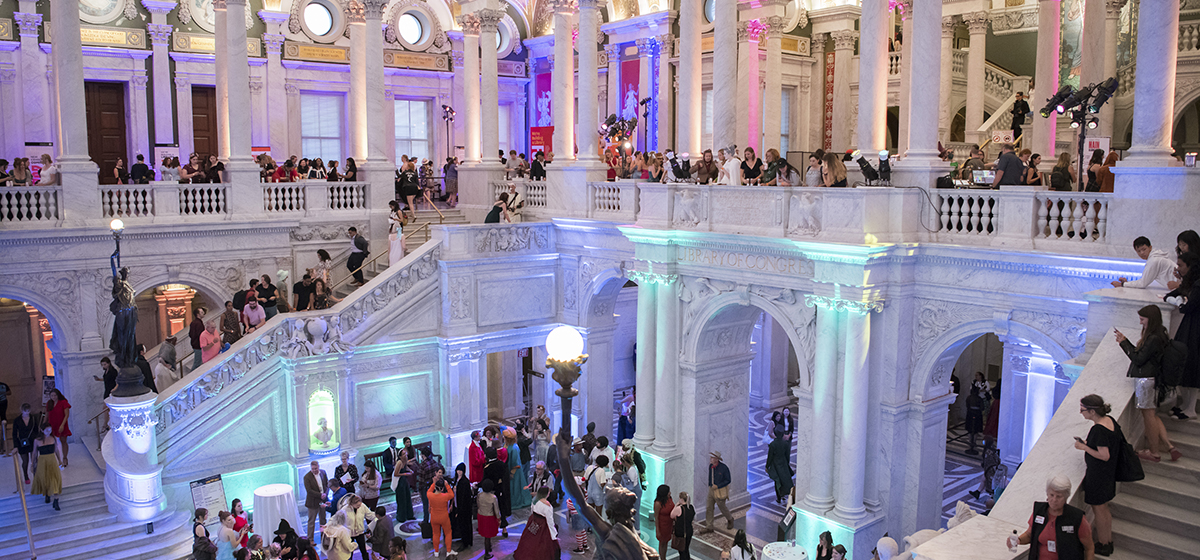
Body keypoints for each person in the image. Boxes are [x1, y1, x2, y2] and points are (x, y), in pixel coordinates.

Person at [1116, 305, 1180, 462]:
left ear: (1150, 320)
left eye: (1142, 319)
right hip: (1154, 380)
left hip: (1146, 380)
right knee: (1153, 415)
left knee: (1148, 417)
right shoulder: (1160, 333)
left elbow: (1138, 359)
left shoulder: (1152, 339)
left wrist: (1124, 342)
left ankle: (1154, 452)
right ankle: (1169, 446)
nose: (1140, 323)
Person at [1006, 476, 1094, 560]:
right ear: (1047, 494)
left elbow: (1089, 548)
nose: (1054, 499)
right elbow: (1030, 534)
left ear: (1066, 497)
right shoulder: (1039, 511)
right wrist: (1018, 540)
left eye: (1059, 496)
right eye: (1052, 495)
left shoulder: (1076, 518)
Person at [1075, 394, 1118, 556]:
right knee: (1104, 509)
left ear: (1092, 412)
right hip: (1108, 474)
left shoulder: (1098, 429)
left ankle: (1102, 543)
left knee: (1099, 510)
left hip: (1098, 475)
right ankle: (1108, 541)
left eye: (1083, 410)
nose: (1081, 413)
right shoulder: (1110, 421)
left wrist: (1084, 447)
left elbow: (1104, 455)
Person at [1167, 251, 1200, 420]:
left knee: (1193, 367)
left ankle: (1190, 408)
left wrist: (1180, 303)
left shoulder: (1198, 284)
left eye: (1180, 265)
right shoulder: (1194, 282)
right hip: (1192, 326)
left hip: (1195, 328)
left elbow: (1189, 306)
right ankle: (1186, 406)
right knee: (1188, 366)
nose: (1178, 268)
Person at [1112, 236, 1177, 289]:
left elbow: (1143, 283)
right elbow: (1145, 280)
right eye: (1138, 251)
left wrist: (1123, 284)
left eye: (1144, 249)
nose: (1142, 253)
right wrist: (1128, 283)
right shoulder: (1156, 257)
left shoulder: (1154, 260)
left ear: (1150, 248)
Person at [513, 486, 559, 560]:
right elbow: (550, 521)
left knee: (529, 538)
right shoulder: (548, 506)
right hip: (543, 524)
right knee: (542, 543)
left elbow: (532, 511)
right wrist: (553, 533)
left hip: (533, 520)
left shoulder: (535, 500)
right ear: (547, 494)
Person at [31, 422, 62, 509]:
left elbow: (56, 450)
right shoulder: (37, 441)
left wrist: (60, 460)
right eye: (47, 430)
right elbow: (34, 453)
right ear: (42, 430)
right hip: (42, 461)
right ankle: (47, 494)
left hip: (52, 461)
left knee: (54, 479)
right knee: (44, 478)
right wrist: (32, 464)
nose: (49, 432)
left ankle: (56, 500)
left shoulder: (53, 438)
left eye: (50, 430)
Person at [703, 451, 734, 532]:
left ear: (716, 459)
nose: (710, 459)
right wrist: (710, 485)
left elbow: (728, 480)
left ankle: (730, 519)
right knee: (709, 507)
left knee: (722, 507)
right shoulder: (711, 466)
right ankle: (709, 526)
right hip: (711, 489)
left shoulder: (724, 468)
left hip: (720, 490)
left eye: (712, 458)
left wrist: (718, 486)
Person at [427, 468, 456, 558]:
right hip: (444, 517)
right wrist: (447, 485)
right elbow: (452, 494)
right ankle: (448, 551)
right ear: (443, 488)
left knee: (435, 534)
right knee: (448, 533)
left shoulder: (430, 495)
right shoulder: (445, 496)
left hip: (434, 517)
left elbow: (430, 490)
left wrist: (434, 483)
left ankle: (436, 551)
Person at [415, 446, 444, 523]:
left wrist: (419, 490)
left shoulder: (422, 466)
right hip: (434, 486)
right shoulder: (434, 462)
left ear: (423, 455)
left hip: (426, 487)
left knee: (426, 504)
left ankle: (426, 521)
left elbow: (421, 480)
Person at [340, 494, 375, 560]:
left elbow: (369, 514)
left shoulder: (362, 506)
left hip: (360, 532)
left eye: (360, 504)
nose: (359, 506)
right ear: (352, 504)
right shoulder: (344, 509)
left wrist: (378, 516)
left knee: (363, 550)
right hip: (349, 534)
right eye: (358, 505)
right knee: (349, 553)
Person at [303, 460, 329, 540]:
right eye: (313, 469)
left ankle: (324, 536)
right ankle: (310, 539)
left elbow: (327, 484)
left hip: (322, 501)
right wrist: (320, 495)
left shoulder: (323, 472)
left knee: (323, 519)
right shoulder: (307, 477)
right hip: (313, 502)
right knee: (311, 521)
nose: (314, 470)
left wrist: (325, 494)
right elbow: (309, 491)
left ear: (319, 467)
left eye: (316, 468)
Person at [766, 429, 793, 503]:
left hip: (775, 464)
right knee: (784, 479)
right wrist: (786, 463)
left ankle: (778, 497)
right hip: (783, 463)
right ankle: (783, 494)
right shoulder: (785, 444)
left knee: (777, 480)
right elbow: (787, 455)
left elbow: (770, 457)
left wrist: (767, 466)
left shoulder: (773, 444)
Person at [477, 478, 501, 560]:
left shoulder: (479, 495)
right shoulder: (493, 497)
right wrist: (499, 519)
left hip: (481, 515)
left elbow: (478, 505)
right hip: (489, 517)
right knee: (488, 535)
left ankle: (489, 547)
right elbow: (496, 510)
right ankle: (487, 553)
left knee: (485, 534)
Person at [452, 463, 474, 552]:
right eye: (458, 470)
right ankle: (464, 539)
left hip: (464, 508)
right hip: (458, 505)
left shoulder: (464, 482)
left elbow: (464, 497)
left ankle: (465, 542)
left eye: (460, 471)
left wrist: (459, 510)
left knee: (465, 525)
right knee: (462, 525)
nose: (459, 472)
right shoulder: (457, 480)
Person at [46, 389, 70, 468]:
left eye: (55, 395)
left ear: (58, 395)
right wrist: (45, 424)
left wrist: (62, 425)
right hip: (52, 425)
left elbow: (66, 415)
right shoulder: (49, 403)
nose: (53, 397)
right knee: (52, 442)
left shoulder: (63, 402)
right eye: (52, 396)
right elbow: (47, 414)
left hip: (61, 424)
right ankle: (56, 459)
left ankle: (65, 458)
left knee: (63, 441)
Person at [12, 403, 36, 484]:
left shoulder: (33, 418)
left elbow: (36, 430)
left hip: (32, 441)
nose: (27, 413)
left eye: (28, 411)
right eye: (25, 411)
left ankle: (36, 476)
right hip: (22, 442)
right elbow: (14, 434)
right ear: (22, 411)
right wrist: (15, 446)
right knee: (25, 461)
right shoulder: (17, 420)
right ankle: (26, 475)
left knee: (35, 460)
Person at [391, 445, 414, 522]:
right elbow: (396, 474)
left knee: (407, 497)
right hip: (400, 482)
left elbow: (406, 467)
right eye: (404, 454)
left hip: (405, 481)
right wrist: (405, 474)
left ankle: (409, 515)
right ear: (400, 456)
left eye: (406, 454)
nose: (406, 455)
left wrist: (410, 470)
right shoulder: (399, 462)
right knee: (402, 500)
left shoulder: (404, 461)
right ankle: (401, 516)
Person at [670, 491, 696, 560]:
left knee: (681, 550)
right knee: (686, 548)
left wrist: (676, 505)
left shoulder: (679, 508)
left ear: (681, 499)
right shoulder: (691, 507)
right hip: (689, 530)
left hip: (681, 531)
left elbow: (672, 515)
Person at [655, 485, 675, 560]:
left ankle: (664, 557)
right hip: (662, 525)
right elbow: (656, 517)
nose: (670, 493)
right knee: (662, 543)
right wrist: (657, 530)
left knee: (666, 542)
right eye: (668, 492)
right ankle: (662, 558)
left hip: (669, 525)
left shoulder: (669, 499)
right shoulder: (658, 503)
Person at [387, 201, 406, 266]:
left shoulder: (399, 211)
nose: (391, 208)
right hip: (392, 225)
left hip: (397, 226)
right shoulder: (392, 212)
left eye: (391, 206)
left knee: (399, 238)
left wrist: (395, 219)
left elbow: (401, 220)